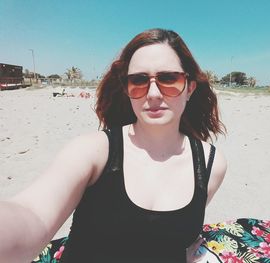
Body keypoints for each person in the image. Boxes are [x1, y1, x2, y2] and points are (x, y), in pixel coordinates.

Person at [0, 28, 227, 263]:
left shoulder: (211, 164)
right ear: (127, 90)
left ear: (189, 87)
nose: (153, 94)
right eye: (138, 81)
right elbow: (32, 216)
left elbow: (159, 238)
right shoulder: (93, 152)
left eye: (168, 78)